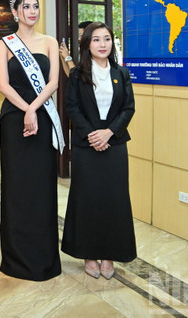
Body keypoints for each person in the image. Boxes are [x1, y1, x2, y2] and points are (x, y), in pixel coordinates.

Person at [0, 0, 64, 281]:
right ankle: (16, 258)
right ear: (15, 12)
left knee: (41, 186)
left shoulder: (49, 42)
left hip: (42, 116)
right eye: (26, 7)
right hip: (14, 120)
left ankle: (44, 258)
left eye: (35, 6)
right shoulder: (5, 44)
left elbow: (53, 83)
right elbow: (3, 84)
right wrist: (26, 110)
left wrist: (34, 109)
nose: (32, 11)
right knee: (17, 186)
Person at [61, 21, 137, 280]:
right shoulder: (77, 74)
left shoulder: (121, 73)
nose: (103, 44)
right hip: (86, 145)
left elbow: (128, 108)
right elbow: (72, 108)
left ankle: (109, 255)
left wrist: (109, 132)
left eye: (107, 39)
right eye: (96, 40)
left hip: (114, 145)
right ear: (87, 44)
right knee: (88, 200)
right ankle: (89, 254)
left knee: (114, 201)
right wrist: (92, 134)